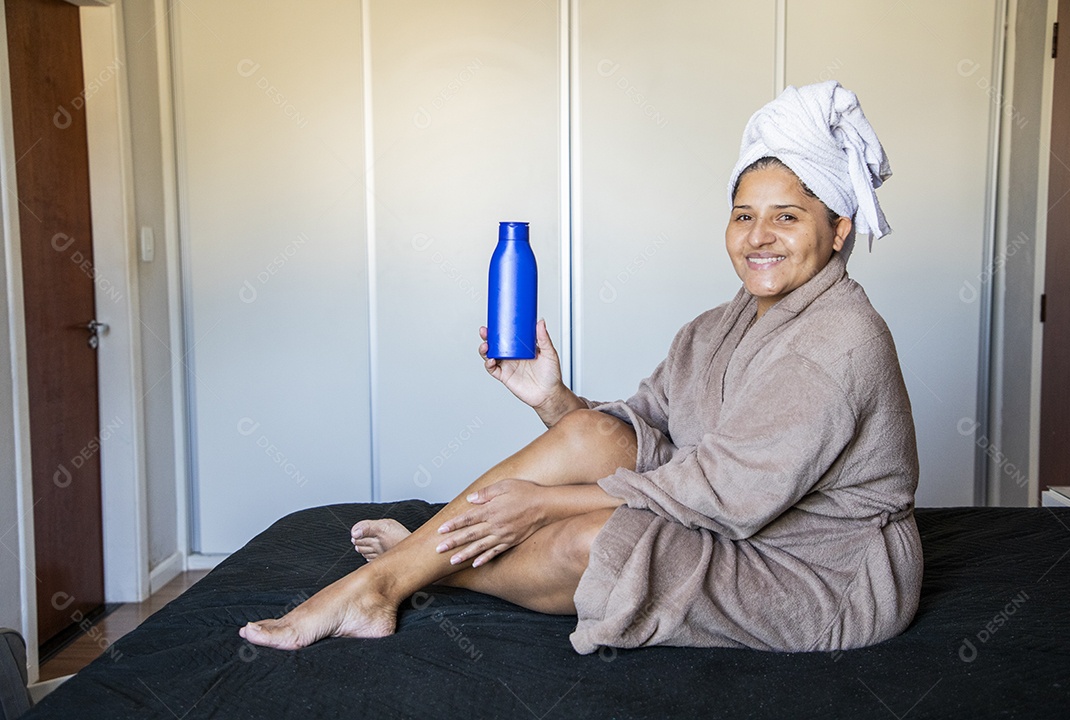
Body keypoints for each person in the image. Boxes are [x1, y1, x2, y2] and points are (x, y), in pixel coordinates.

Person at [240, 80, 922, 654]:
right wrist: (551, 397)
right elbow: (640, 431)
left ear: (838, 231)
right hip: (727, 516)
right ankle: (401, 571)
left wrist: (540, 503)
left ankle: (405, 573)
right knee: (594, 434)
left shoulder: (840, 341)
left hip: (818, 572)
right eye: (744, 214)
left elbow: (726, 492)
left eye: (788, 218)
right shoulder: (722, 323)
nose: (758, 237)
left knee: (595, 540)